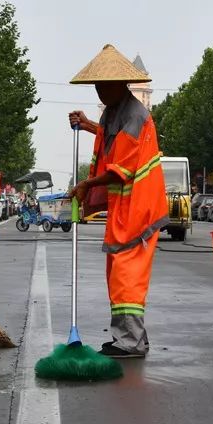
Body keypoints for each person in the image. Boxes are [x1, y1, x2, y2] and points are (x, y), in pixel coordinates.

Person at [67, 44, 168, 358]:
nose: (98, 92)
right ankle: (129, 337)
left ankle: (131, 341)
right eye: (95, 86)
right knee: (119, 273)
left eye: (102, 86)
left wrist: (86, 184)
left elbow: (120, 170)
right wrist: (86, 125)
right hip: (126, 208)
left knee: (128, 277)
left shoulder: (135, 115)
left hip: (139, 208)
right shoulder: (116, 111)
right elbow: (110, 139)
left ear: (118, 85)